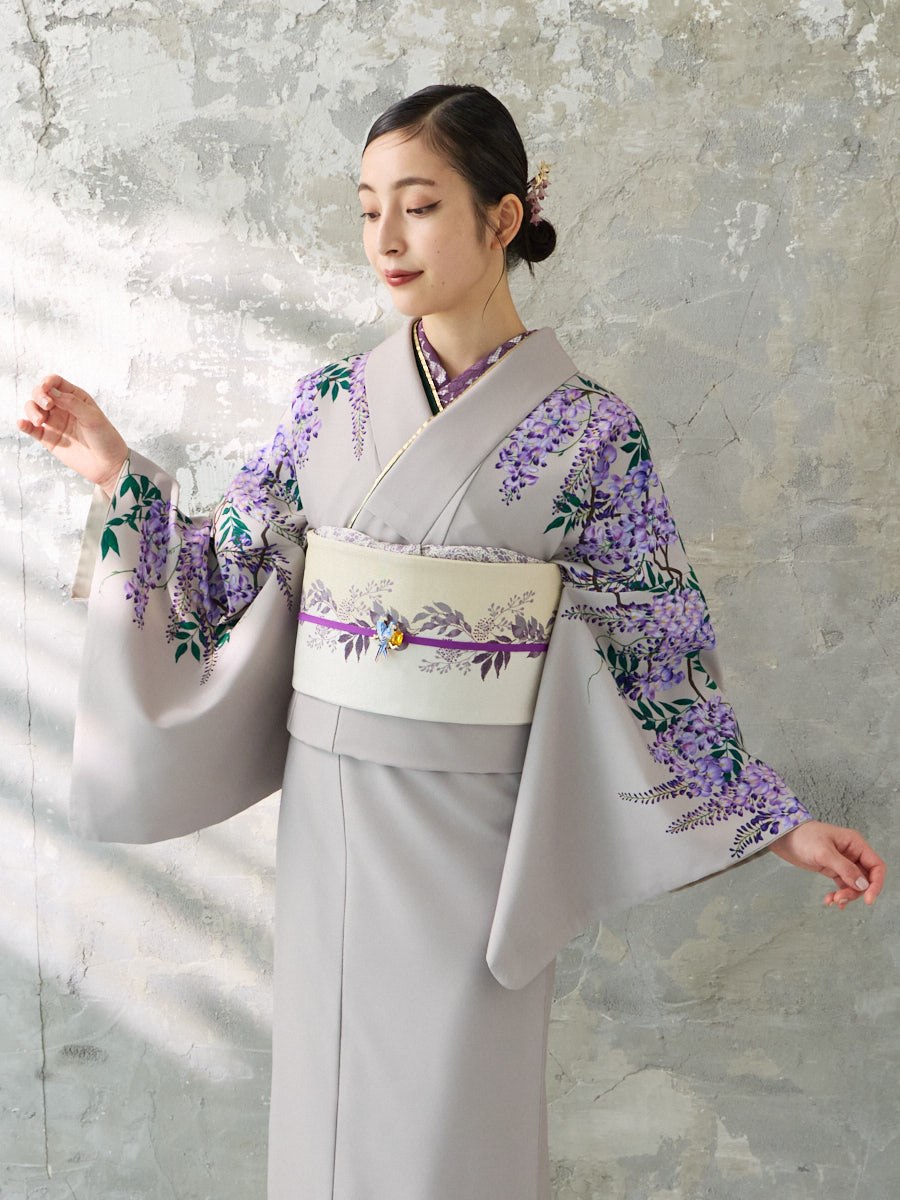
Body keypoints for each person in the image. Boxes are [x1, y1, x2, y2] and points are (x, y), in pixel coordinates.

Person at [19, 84, 885, 1200]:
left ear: (502, 218)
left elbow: (656, 654)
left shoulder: (592, 435)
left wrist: (775, 824)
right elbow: (220, 576)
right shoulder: (331, 403)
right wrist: (117, 472)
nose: (386, 238)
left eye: (420, 206)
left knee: (453, 1130)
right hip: (332, 811)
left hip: (478, 828)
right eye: (367, 208)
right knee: (329, 1116)